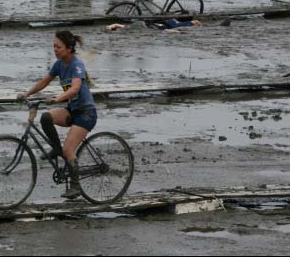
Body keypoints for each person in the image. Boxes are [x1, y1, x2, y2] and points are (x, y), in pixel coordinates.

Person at [17, 30, 97, 199]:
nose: (55, 50)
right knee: (46, 117)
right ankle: (56, 148)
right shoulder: (59, 64)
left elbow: (75, 88)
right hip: (72, 109)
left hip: (86, 113)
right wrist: (27, 93)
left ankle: (75, 187)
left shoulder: (77, 64)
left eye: (58, 47)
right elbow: (44, 82)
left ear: (69, 48)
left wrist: (57, 98)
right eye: (54, 46)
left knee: (69, 148)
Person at [106, 19, 202, 31]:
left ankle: (113, 26)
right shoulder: (184, 24)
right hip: (148, 25)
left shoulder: (173, 23)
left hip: (148, 24)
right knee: (127, 28)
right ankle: (114, 25)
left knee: (127, 27)